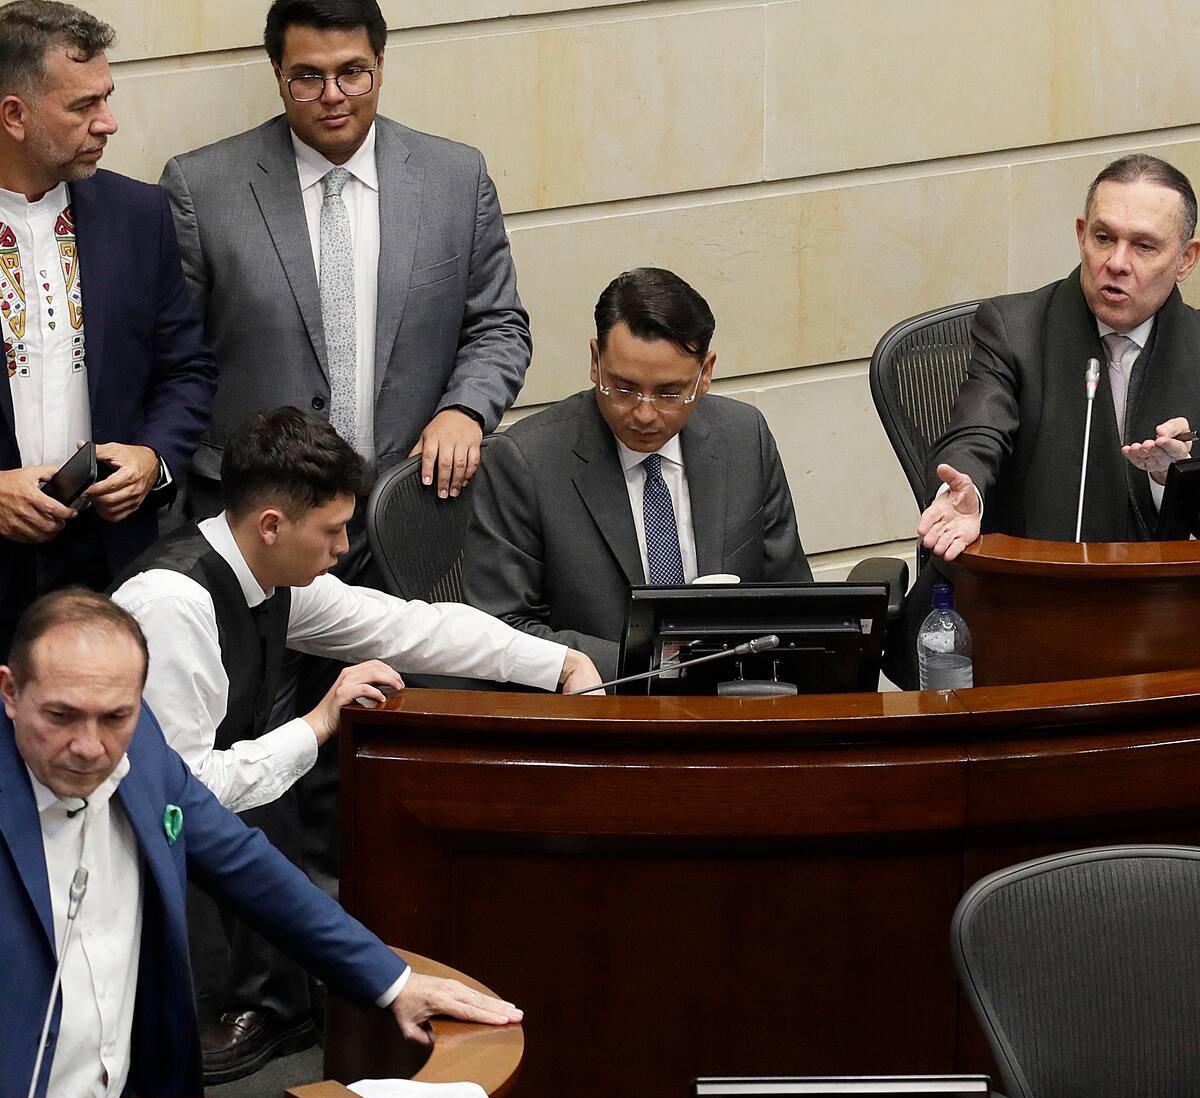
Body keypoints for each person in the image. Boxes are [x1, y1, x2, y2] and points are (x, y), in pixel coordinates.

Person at [110, 406, 598, 1081]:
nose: (344, 550)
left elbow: (408, 628)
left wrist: (558, 663)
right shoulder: (172, 602)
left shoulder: (274, 576)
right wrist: (318, 723)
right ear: (272, 526)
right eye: (334, 530)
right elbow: (186, 796)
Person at [0, 588, 522, 1098]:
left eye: (115, 717)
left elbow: (246, 865)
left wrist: (392, 980)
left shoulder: (142, 746)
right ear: (10, 692)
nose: (90, 746)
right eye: (60, 716)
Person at [159, 0, 530, 527]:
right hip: (259, 519)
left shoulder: (456, 179)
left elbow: (498, 325)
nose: (333, 96)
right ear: (277, 73)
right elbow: (173, 360)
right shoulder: (201, 189)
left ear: (381, 61)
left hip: (410, 506)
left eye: (352, 73)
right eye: (308, 77)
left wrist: (466, 409)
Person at [892, 154, 1200, 687]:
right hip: (1019, 614)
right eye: (1104, 238)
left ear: (1186, 259)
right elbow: (976, 432)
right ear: (1081, 235)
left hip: (1165, 632)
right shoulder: (1013, 329)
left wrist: (1169, 482)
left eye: (1144, 246)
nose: (1117, 263)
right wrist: (969, 495)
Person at [462, 267, 812, 683]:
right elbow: (503, 631)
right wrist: (661, 668)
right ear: (595, 362)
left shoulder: (743, 438)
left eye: (669, 393)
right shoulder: (525, 462)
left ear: (706, 374)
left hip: (734, 705)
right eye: (624, 389)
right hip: (601, 713)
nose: (645, 414)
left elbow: (793, 600)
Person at [0, 1, 215, 658]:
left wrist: (154, 459)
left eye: (108, 98)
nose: (108, 123)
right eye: (82, 106)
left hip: (114, 556)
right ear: (14, 115)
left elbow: (188, 369)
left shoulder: (139, 212)